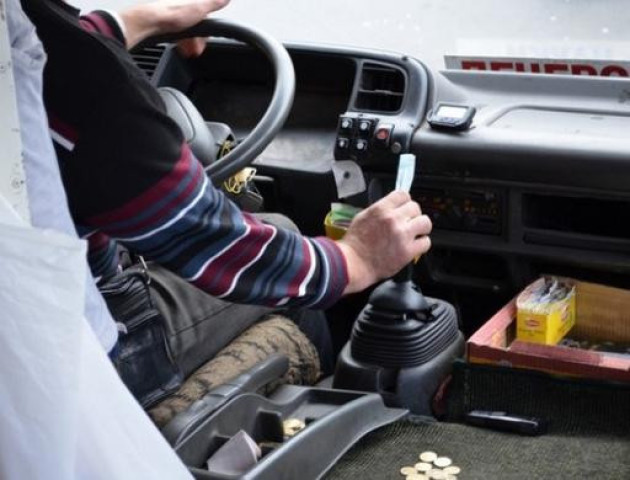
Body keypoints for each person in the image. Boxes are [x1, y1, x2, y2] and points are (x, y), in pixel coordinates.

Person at [21, 0, 432, 388]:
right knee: (292, 266)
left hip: (29, 315)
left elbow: (39, 53)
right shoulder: (97, 99)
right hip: (83, 349)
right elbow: (217, 243)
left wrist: (132, 24)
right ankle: (324, 413)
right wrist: (355, 258)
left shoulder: (26, 29)